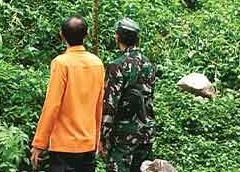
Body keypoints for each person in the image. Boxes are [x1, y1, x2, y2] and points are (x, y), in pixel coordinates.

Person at [31, 16, 105, 172]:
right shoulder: (97, 63)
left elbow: (52, 105)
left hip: (64, 147)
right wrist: (97, 138)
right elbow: (99, 106)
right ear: (86, 35)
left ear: (62, 36)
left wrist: (39, 143)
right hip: (88, 144)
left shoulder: (61, 63)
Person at [99, 18, 157, 172]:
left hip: (123, 137)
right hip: (146, 133)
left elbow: (110, 105)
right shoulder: (148, 64)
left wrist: (103, 136)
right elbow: (149, 100)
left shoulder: (117, 65)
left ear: (117, 37)